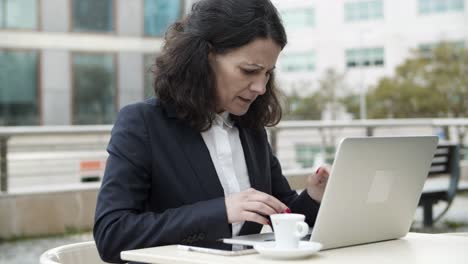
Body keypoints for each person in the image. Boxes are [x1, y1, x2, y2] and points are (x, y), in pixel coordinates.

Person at [93, 0, 329, 262]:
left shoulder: (250, 129)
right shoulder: (143, 124)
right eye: (249, 71)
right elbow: (112, 235)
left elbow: (282, 216)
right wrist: (221, 210)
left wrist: (314, 196)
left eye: (267, 74)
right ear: (203, 58)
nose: (260, 87)